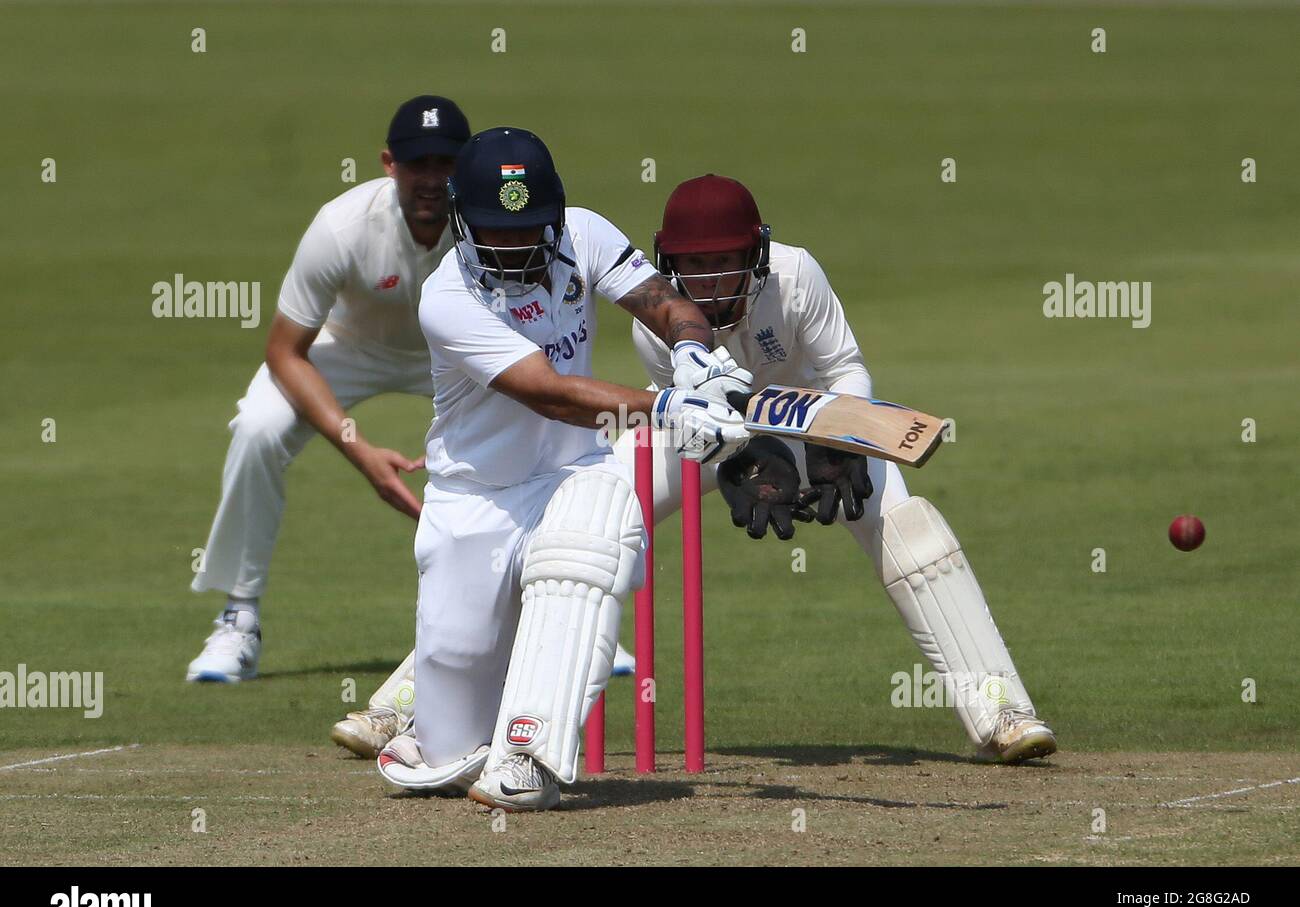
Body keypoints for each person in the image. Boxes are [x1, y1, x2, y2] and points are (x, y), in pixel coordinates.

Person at [609, 174, 1056, 763]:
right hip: (703, 430)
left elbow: (844, 367)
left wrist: (841, 442)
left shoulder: (794, 276)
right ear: (669, 264)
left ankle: (1002, 711)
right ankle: (520, 717)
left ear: (756, 255)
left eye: (725, 260)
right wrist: (743, 460)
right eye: (695, 264)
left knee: (908, 527)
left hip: (812, 416)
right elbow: (700, 417)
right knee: (597, 505)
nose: (712, 280)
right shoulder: (654, 317)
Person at [372, 129, 752, 809]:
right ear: (462, 222)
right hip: (472, 502)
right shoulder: (448, 297)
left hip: (574, 474)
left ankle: (528, 754)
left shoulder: (584, 234)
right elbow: (549, 393)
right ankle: (441, 727)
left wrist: (693, 349)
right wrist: (670, 406)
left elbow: (662, 300)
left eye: (529, 230)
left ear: (556, 217)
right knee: (449, 753)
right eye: (495, 231)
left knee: (592, 537)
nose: (514, 246)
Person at [186, 96, 471, 697]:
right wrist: (357, 448)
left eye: (446, 162)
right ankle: (239, 617)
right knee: (258, 428)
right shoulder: (340, 227)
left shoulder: (487, 223)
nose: (432, 179)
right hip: (348, 350)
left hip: (454, 352)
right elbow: (285, 351)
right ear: (389, 163)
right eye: (418, 163)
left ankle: (560, 607)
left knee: (538, 426)